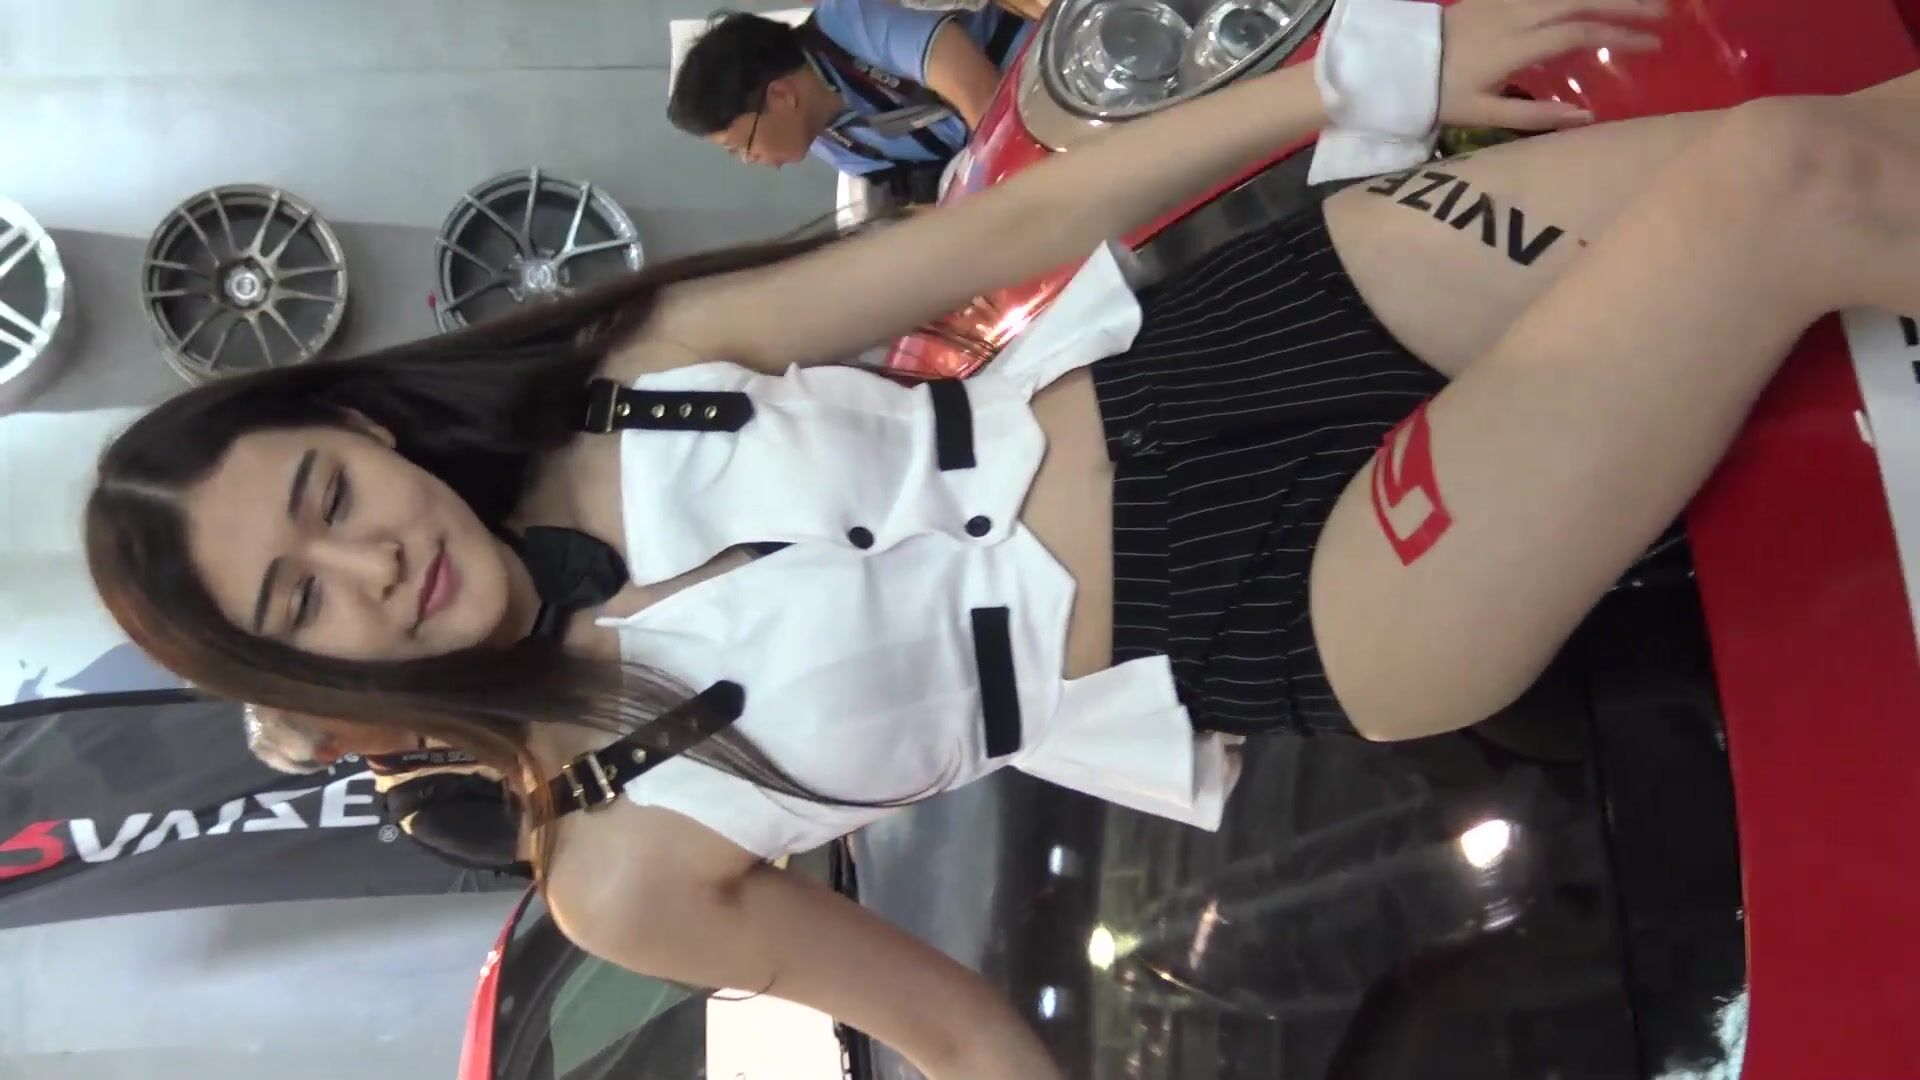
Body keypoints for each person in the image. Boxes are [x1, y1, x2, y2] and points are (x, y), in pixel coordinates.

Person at [83, 0, 1920, 1069]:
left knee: (1833, 133)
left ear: (357, 421)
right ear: (304, 672)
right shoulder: (617, 868)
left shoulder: (619, 370)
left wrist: (1363, 75)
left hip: (1239, 341)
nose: (371, 568)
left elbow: (980, 243)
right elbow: (962, 1043)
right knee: (1783, 191)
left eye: (327, 498)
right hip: (1297, 596)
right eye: (301, 605)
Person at [668, 2, 1029, 204]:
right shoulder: (836, 146)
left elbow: (977, 91)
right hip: (1020, 158)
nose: (751, 160)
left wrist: (1000, 202)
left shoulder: (851, 19)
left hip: (1042, 73)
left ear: (780, 96)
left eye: (741, 147)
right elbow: (922, 195)